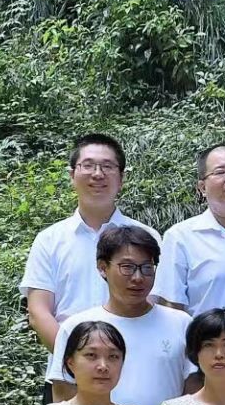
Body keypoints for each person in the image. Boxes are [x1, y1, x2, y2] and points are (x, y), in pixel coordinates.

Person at [21, 133, 156, 350]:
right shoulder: (49, 240)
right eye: (88, 165)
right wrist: (72, 359)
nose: (98, 174)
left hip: (137, 358)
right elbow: (38, 312)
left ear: (121, 178)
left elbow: (155, 302)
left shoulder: (147, 236)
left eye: (107, 166)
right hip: (67, 363)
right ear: (72, 175)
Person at [45, 226, 192, 405]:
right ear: (102, 268)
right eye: (127, 267)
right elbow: (64, 397)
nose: (138, 277)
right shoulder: (76, 327)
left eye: (147, 268)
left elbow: (194, 391)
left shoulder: (181, 324)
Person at [153, 144, 225, 315]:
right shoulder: (181, 237)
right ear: (202, 187)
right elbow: (171, 308)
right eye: (221, 172)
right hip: (208, 333)